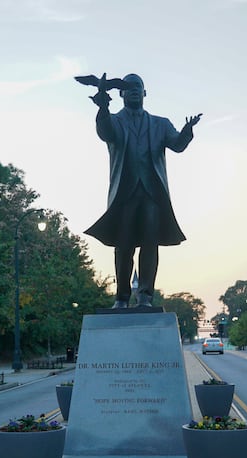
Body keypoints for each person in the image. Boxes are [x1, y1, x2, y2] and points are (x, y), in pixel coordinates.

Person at [84, 73, 201, 308]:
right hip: (124, 194)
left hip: (153, 195)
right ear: (121, 93)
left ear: (145, 93)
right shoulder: (115, 121)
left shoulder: (161, 124)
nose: (134, 90)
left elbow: (177, 145)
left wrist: (187, 130)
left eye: (139, 87)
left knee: (150, 244)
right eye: (129, 87)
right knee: (123, 245)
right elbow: (105, 132)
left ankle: (146, 296)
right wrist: (103, 107)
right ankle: (122, 298)